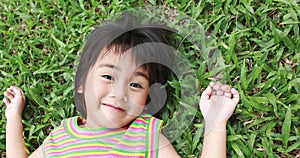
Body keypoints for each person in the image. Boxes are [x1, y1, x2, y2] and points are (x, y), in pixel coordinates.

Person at [4, 13, 239, 158]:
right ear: (82, 84)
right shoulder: (60, 137)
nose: (119, 93)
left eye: (136, 84)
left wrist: (216, 121)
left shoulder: (146, 136)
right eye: (108, 77)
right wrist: (13, 116)